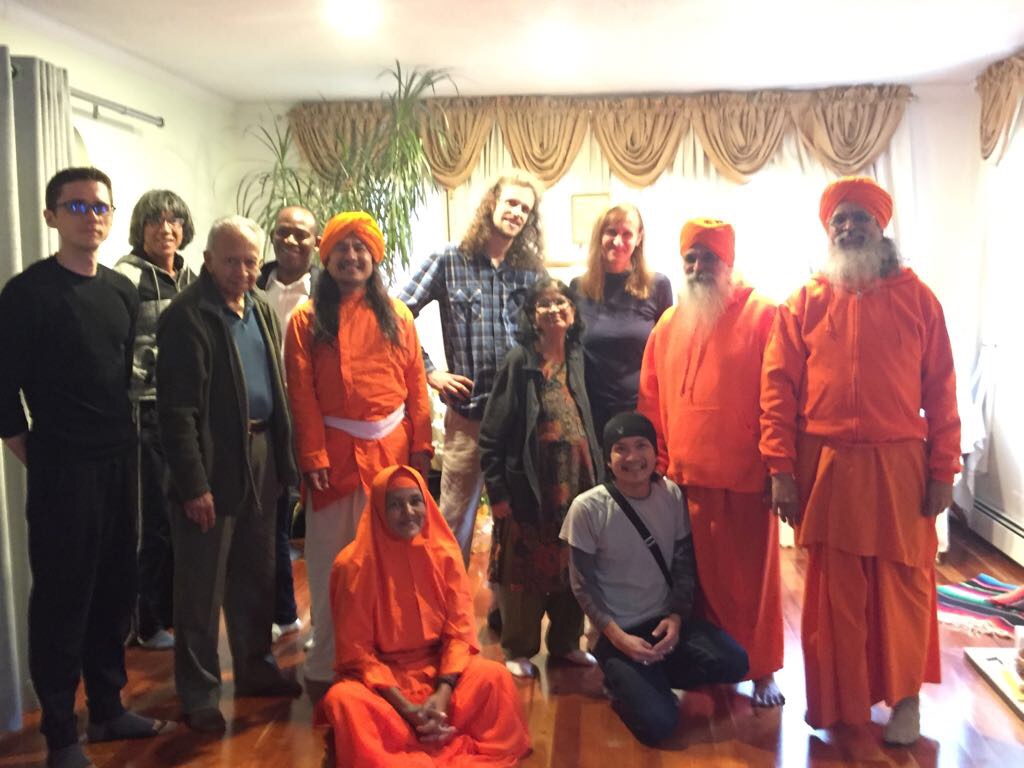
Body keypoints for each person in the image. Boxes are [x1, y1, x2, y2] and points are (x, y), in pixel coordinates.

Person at [760, 176, 960, 744]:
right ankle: (841, 703)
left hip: (900, 466)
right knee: (836, 593)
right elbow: (777, 391)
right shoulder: (802, 302)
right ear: (828, 231)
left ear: (881, 227)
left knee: (904, 589)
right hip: (826, 465)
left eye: (860, 219)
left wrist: (944, 469)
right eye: (839, 220)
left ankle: (905, 701)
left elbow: (942, 390)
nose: (848, 228)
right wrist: (780, 470)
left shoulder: (919, 299)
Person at [0, 167, 173, 768]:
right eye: (76, 207)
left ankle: (107, 708)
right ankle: (60, 734)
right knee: (62, 598)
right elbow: (3, 392)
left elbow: (121, 379)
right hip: (61, 468)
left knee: (114, 589)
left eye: (100, 206)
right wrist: (43, 455)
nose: (90, 217)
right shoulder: (26, 294)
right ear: (51, 216)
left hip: (119, 460)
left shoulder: (122, 292)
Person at [157, 215, 301, 735]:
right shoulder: (186, 316)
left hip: (261, 455)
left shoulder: (260, 307)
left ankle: (255, 668)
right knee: (201, 586)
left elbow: (277, 390)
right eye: (231, 261)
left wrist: (284, 463)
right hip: (212, 461)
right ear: (208, 260)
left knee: (256, 572)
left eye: (250, 262)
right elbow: (176, 414)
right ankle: (198, 693)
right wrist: (194, 485)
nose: (242, 271)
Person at [285, 211, 432, 703]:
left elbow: (416, 387)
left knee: (392, 563)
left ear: (374, 257)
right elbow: (301, 394)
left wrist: (421, 448)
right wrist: (312, 455)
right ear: (326, 259)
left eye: (360, 248)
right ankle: (329, 659)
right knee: (332, 565)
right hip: (335, 461)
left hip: (392, 455)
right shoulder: (306, 320)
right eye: (342, 249)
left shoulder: (399, 315)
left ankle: (390, 655)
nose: (351, 257)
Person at [637, 218, 785, 707]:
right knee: (692, 587)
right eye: (691, 258)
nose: (699, 267)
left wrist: (777, 466)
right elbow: (651, 400)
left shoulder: (764, 314)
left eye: (710, 258)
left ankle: (762, 670)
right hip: (683, 482)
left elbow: (778, 397)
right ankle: (705, 667)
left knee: (751, 587)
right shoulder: (667, 324)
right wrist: (658, 464)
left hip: (745, 481)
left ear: (729, 263)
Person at [321, 465, 531, 767]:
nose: (408, 512)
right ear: (378, 509)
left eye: (415, 501)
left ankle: (415, 739)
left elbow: (459, 633)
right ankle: (417, 740)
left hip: (440, 672)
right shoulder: (352, 564)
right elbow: (357, 653)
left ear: (427, 503)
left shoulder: (444, 553)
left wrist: (442, 695)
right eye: (395, 504)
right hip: (383, 684)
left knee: (494, 677)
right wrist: (407, 708)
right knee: (344, 701)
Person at [561, 412, 749, 745]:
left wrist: (675, 618)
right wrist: (618, 637)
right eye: (620, 448)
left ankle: (650, 677)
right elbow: (582, 585)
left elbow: (683, 563)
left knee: (735, 662)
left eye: (641, 445)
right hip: (618, 632)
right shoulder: (587, 508)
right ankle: (623, 681)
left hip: (664, 624)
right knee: (659, 726)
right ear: (608, 457)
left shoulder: (671, 494)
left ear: (654, 451)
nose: (632, 457)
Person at [398, 170, 546, 565]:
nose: (517, 212)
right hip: (469, 418)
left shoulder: (532, 271)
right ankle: (447, 598)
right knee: (453, 519)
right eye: (511, 202)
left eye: (525, 208)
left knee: (516, 518)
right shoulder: (450, 259)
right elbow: (395, 315)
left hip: (520, 419)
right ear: (492, 203)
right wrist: (429, 371)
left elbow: (552, 329)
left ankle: (507, 596)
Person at [478, 278, 602, 677]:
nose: (553, 309)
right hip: (531, 485)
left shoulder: (579, 358)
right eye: (543, 304)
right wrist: (498, 492)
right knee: (523, 567)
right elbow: (491, 434)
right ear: (532, 317)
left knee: (573, 561)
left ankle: (566, 642)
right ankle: (518, 647)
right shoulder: (520, 361)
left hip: (577, 483)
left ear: (573, 312)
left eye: (561, 301)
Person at [114, 189, 198, 652]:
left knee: (185, 514)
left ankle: (172, 611)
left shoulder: (190, 276)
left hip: (188, 412)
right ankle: (144, 623)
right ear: (140, 228)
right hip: (144, 411)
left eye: (174, 221)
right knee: (152, 521)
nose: (166, 229)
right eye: (155, 221)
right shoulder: (126, 277)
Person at [256, 205, 321, 643]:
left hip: (315, 419)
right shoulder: (251, 285)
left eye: (302, 234)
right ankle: (284, 612)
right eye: (284, 232)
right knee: (273, 520)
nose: (292, 241)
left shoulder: (329, 290)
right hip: (265, 421)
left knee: (321, 521)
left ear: (316, 242)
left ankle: (330, 622)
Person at [570, 203, 672, 438]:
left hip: (643, 410)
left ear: (639, 238)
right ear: (599, 235)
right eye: (611, 232)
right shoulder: (578, 288)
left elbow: (667, 352)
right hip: (592, 412)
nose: (618, 241)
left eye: (627, 234)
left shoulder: (657, 285)